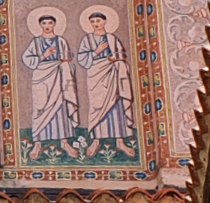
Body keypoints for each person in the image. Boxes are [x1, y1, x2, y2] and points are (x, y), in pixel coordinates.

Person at [75, 12, 136, 158]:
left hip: (113, 74)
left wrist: (117, 61)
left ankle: (120, 141)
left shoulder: (112, 39)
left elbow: (122, 57)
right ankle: (96, 140)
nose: (96, 24)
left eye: (98, 21)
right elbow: (82, 59)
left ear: (105, 21)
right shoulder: (87, 39)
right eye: (93, 21)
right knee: (97, 107)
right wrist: (96, 52)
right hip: (97, 76)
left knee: (117, 106)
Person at [20, 15, 79, 160]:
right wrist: (44, 55)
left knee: (61, 107)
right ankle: (38, 143)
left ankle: (65, 142)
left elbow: (68, 60)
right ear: (40, 25)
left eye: (50, 23)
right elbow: (27, 59)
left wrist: (66, 63)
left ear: (55, 24)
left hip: (59, 77)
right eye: (44, 23)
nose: (47, 26)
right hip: (42, 79)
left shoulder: (61, 41)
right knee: (40, 109)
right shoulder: (36, 42)